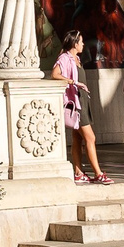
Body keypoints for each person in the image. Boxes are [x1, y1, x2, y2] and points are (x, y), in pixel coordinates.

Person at [51, 30, 109, 185]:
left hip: (82, 100)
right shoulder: (65, 58)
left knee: (77, 138)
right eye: (81, 41)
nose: (83, 44)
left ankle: (78, 172)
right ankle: (98, 173)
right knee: (90, 137)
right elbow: (55, 74)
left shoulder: (76, 59)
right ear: (75, 43)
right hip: (76, 104)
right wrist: (72, 82)